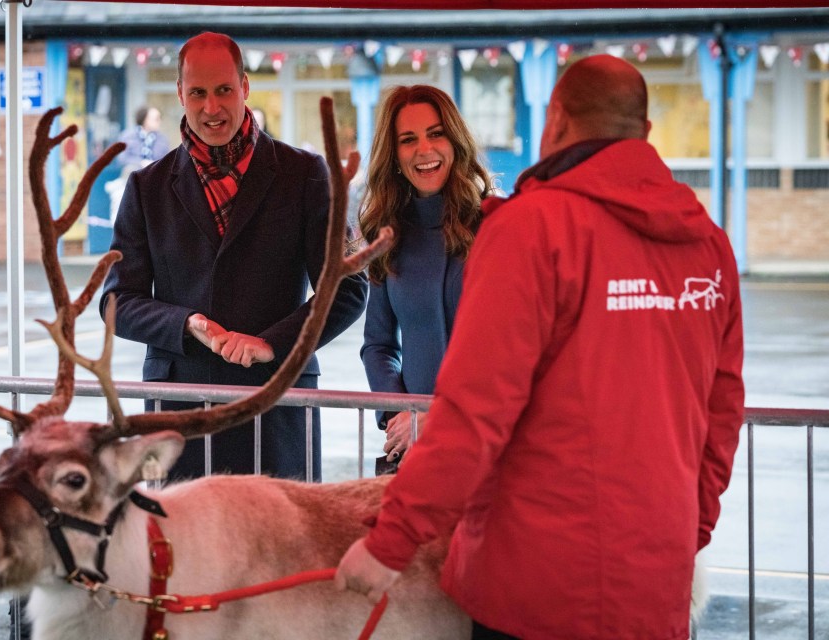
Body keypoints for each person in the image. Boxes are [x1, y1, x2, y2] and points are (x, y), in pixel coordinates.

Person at [336, 54, 745, 639]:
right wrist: (687, 534)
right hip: (653, 579)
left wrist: (391, 540)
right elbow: (721, 417)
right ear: (646, 133)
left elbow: (477, 408)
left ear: (554, 121)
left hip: (533, 582)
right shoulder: (710, 245)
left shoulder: (525, 228)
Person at [100, 32, 367, 482]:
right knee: (186, 550)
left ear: (244, 87)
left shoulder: (304, 175)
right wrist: (185, 325)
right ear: (180, 94)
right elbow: (115, 304)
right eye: (198, 93)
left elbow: (346, 287)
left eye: (223, 90)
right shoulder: (146, 188)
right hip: (180, 412)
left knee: (283, 549)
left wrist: (272, 343)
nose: (212, 107)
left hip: (277, 401)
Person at [358, 85, 492, 471]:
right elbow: (378, 345)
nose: (425, 150)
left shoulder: (497, 225)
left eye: (436, 134)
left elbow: (513, 348)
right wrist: (402, 415)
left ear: (455, 141)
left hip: (487, 442)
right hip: (417, 452)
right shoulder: (387, 236)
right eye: (408, 139)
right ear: (395, 155)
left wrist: (440, 418)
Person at [115, 105, 170, 169]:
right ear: (145, 119)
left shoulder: (162, 139)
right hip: (133, 173)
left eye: (160, 118)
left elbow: (168, 161)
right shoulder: (128, 136)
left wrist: (153, 164)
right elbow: (122, 158)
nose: (159, 121)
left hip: (156, 173)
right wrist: (141, 162)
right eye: (156, 119)